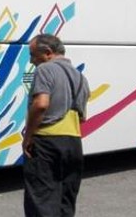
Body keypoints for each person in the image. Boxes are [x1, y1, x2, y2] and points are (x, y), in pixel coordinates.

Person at [22, 33, 90, 217]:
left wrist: (28, 136)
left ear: (47, 53)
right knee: (65, 202)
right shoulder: (80, 77)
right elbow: (82, 117)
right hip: (73, 144)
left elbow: (41, 104)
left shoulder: (45, 70)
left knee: (42, 202)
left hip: (46, 142)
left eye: (32, 54)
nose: (31, 61)